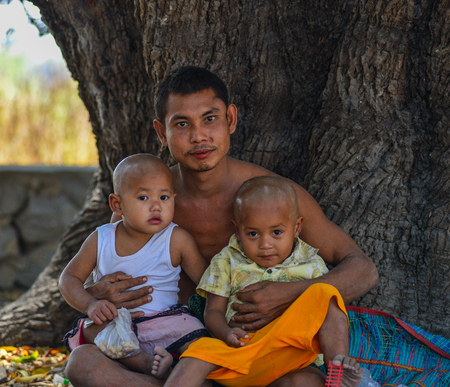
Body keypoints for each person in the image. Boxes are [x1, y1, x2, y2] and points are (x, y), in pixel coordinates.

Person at [65, 66, 378, 387]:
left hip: (264, 349)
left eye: (210, 119)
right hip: (178, 347)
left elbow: (363, 269)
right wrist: (96, 294)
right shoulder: (144, 203)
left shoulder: (274, 196)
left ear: (230, 118)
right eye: (182, 124)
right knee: (83, 363)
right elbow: (94, 287)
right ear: (162, 133)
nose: (199, 136)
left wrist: (289, 294)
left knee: (303, 384)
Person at [157, 176, 363, 387]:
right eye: (253, 233)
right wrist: (226, 333)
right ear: (238, 230)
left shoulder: (311, 264)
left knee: (327, 296)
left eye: (276, 232)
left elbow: (327, 318)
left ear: (296, 227)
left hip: (291, 359)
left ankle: (337, 368)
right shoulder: (226, 260)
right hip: (240, 353)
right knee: (194, 356)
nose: (265, 244)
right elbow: (213, 312)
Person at [60, 153, 209, 381]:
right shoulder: (101, 239)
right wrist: (91, 305)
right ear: (117, 204)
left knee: (200, 347)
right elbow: (68, 279)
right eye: (143, 198)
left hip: (167, 322)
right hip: (117, 326)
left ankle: (175, 376)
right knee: (80, 359)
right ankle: (147, 366)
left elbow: (209, 283)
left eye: (164, 197)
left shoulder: (176, 239)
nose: (156, 206)